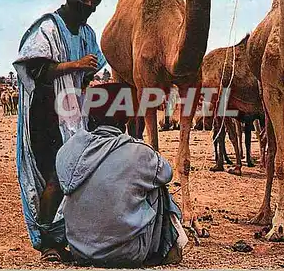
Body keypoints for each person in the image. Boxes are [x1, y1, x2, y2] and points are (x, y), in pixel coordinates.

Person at [12, 0, 107, 261]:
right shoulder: (47, 29)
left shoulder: (88, 33)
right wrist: (75, 65)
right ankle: (46, 242)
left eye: (94, 4)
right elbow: (36, 70)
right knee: (54, 175)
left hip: (74, 113)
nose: (88, 9)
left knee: (74, 174)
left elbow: (90, 75)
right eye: (83, 2)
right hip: (45, 113)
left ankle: (68, 236)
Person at [55, 82, 188, 267]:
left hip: (80, 251)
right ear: (124, 119)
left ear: (91, 116)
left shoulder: (68, 149)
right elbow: (167, 173)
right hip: (130, 253)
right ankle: (165, 249)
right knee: (158, 187)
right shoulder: (140, 152)